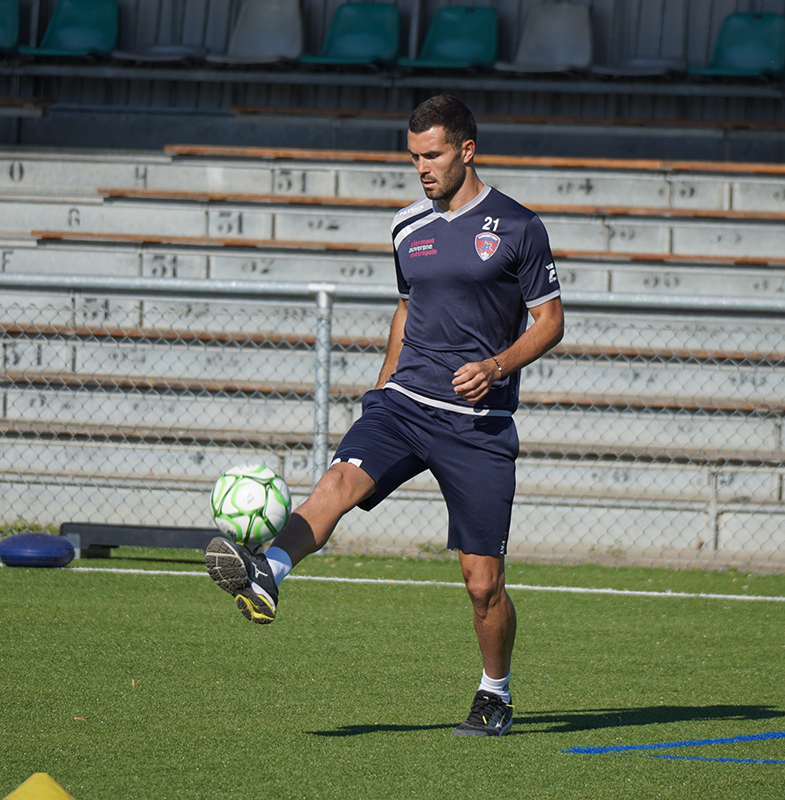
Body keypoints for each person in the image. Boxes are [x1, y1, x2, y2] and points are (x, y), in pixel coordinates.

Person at [205, 94, 564, 737]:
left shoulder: (518, 227)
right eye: (413, 157)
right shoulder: (407, 226)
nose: (422, 168)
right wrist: (381, 386)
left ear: (466, 149)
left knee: (482, 584)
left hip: (477, 424)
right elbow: (407, 308)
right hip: (403, 403)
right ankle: (269, 570)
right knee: (338, 482)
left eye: (432, 155)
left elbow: (552, 321)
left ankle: (494, 692)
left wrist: (498, 366)